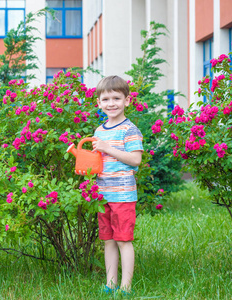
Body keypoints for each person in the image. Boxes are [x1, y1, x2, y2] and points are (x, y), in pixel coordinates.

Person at [92, 75, 144, 295]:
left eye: (116, 98)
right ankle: (110, 283)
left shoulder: (129, 130)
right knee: (109, 241)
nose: (111, 103)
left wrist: (107, 148)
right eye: (106, 99)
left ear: (127, 101)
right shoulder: (99, 131)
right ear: (98, 103)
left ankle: (126, 287)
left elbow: (135, 160)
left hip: (122, 195)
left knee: (123, 240)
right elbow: (98, 162)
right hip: (103, 194)